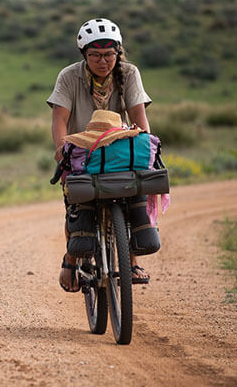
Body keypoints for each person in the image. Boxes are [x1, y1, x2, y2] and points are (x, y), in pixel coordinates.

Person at [46, 17, 152, 292]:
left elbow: (139, 117)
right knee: (77, 207)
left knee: (132, 200)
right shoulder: (69, 76)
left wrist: (145, 145)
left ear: (118, 52)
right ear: (84, 55)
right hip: (82, 153)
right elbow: (60, 118)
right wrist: (61, 150)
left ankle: (132, 262)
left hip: (119, 151)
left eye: (109, 54)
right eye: (95, 55)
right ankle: (71, 260)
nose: (103, 61)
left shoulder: (129, 73)